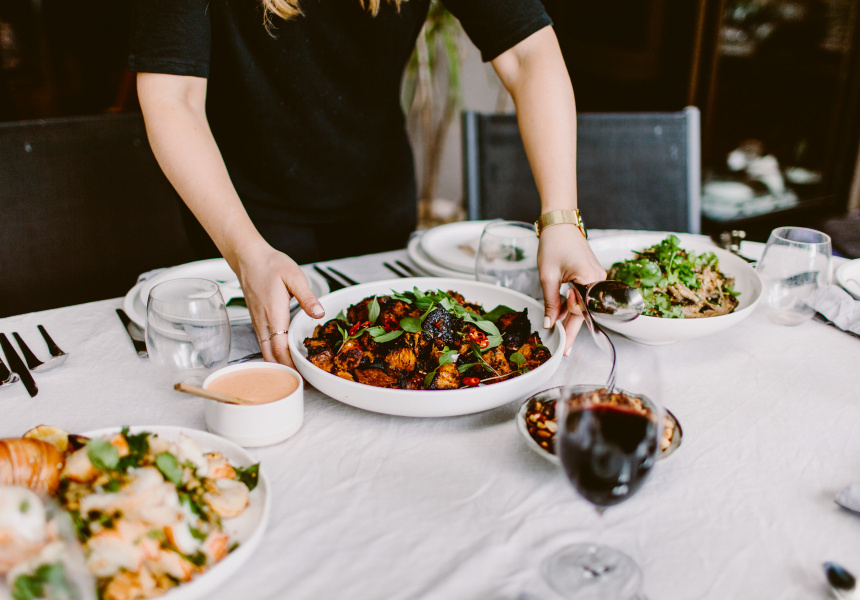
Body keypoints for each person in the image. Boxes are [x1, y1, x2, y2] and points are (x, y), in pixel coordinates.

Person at [128, 0, 605, 366]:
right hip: (245, 217)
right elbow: (173, 98)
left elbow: (528, 51)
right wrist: (246, 251)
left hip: (378, 203)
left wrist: (561, 219)